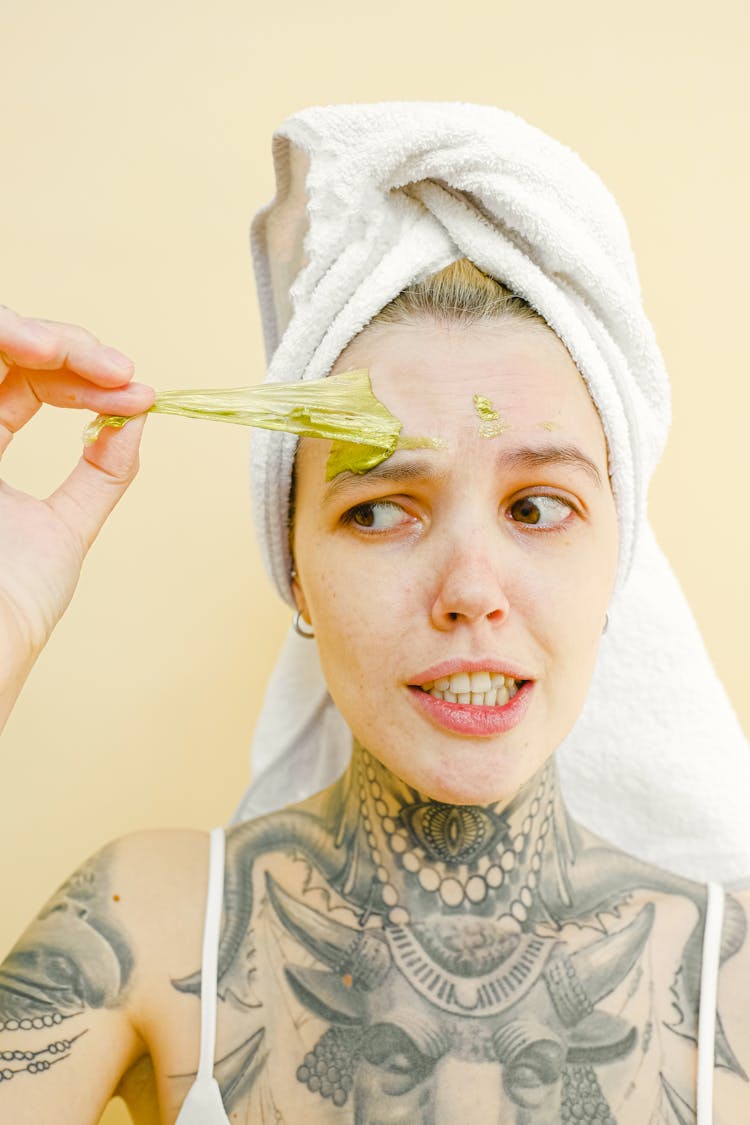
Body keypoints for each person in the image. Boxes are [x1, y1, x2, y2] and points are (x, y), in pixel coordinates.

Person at [1, 103, 748, 1125]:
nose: (472, 588)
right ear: (295, 567)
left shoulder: (733, 993)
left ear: (616, 560)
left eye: (538, 507)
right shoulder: (151, 927)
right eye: (382, 510)